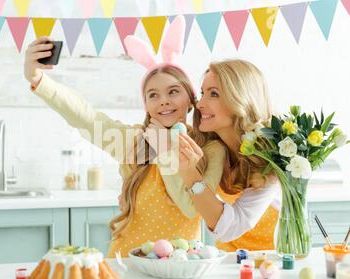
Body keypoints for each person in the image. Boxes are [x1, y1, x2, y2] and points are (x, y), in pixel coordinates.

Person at [23, 16, 226, 257]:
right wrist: (38, 80)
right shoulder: (135, 141)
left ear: (191, 98)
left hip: (180, 264)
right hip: (127, 261)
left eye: (173, 91)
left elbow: (191, 208)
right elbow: (86, 117)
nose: (163, 100)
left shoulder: (211, 149)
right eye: (153, 95)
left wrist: (166, 152)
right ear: (146, 105)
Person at [170, 59, 281, 251]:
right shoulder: (211, 148)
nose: (200, 104)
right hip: (228, 258)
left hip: (271, 259)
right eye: (203, 93)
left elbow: (232, 226)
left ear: (241, 98)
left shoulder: (272, 160)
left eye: (214, 94)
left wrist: (190, 173)